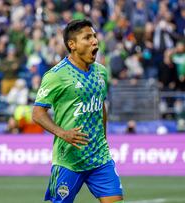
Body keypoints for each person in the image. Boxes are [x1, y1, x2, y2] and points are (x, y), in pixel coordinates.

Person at [32, 19, 124, 203]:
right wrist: (62, 133)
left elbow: (100, 105)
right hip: (69, 160)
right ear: (72, 44)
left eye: (95, 36)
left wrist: (103, 140)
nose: (95, 41)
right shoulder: (56, 75)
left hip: (100, 158)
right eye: (87, 37)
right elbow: (37, 114)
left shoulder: (101, 72)